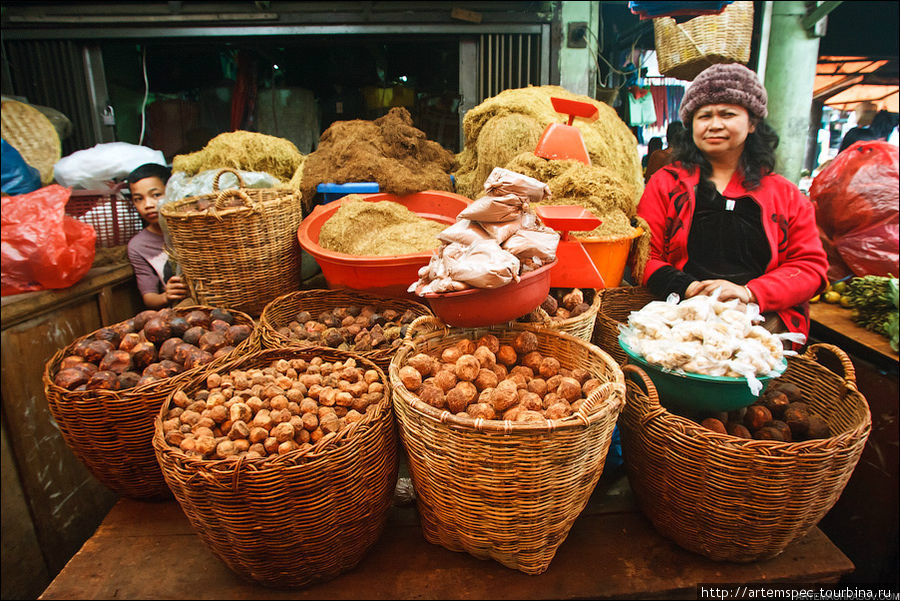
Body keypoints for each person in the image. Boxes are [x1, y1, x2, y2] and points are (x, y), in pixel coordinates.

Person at [637, 63, 828, 338]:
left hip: (760, 323)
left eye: (727, 114)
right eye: (704, 116)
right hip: (678, 318)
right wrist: (689, 289)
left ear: (752, 123)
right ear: (691, 125)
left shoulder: (785, 195)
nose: (715, 125)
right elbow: (645, 255)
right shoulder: (666, 183)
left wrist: (749, 293)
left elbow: (809, 268)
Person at [125, 163, 190, 309]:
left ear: (172, 192)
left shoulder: (193, 227)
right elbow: (149, 296)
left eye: (156, 195)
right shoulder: (138, 246)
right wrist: (166, 296)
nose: (148, 204)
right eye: (138, 199)